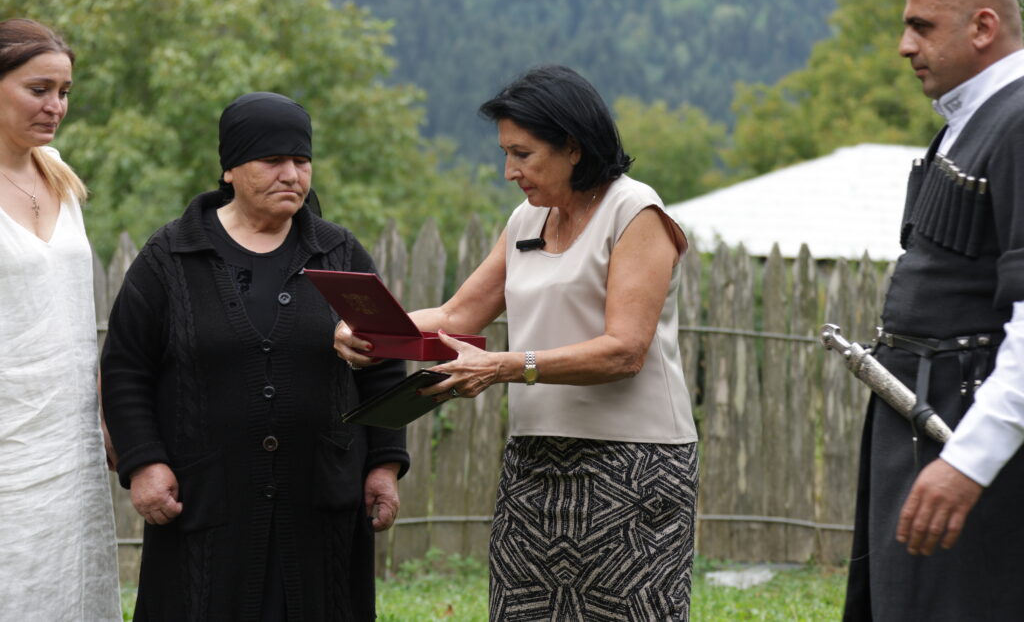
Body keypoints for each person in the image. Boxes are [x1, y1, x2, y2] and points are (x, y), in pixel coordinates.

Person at [335, 64, 698, 620]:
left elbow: (625, 350)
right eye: (506, 153)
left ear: (572, 147)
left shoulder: (635, 210)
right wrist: (370, 331)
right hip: (533, 459)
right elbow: (457, 314)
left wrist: (506, 365)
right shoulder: (527, 218)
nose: (509, 171)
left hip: (636, 464)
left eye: (523, 154)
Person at [101, 92, 410, 620]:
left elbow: (385, 365)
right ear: (230, 169)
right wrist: (145, 463)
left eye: (302, 161)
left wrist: (384, 465)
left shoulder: (339, 252)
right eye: (273, 161)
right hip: (205, 501)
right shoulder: (170, 257)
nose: (291, 174)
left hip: (320, 502)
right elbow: (126, 369)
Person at [844, 0, 1024, 620]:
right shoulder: (970, 120)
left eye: (922, 27)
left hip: (965, 436)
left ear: (982, 26)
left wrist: (971, 460)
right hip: (927, 423)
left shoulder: (1019, 120)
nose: (903, 46)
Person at [0, 18, 121, 621]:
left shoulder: (57, 173)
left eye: (65, 92)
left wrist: (104, 410)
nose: (55, 106)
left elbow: (77, 315)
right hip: (7, 435)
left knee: (72, 585)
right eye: (38, 89)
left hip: (69, 434)